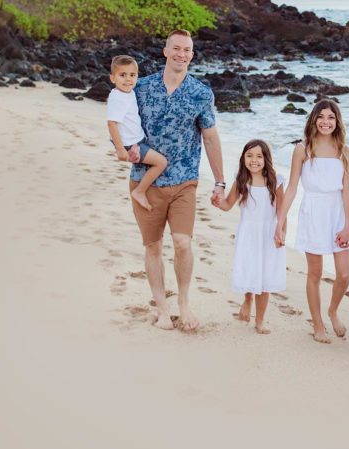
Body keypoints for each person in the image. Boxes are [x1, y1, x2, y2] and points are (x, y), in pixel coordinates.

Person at [129, 28, 225, 332]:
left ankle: (183, 304)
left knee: (183, 243)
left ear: (192, 55)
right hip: (144, 181)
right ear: (166, 51)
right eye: (177, 49)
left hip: (185, 181)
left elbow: (210, 137)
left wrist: (220, 181)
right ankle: (161, 308)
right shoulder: (140, 88)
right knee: (153, 246)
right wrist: (126, 150)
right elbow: (121, 126)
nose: (182, 54)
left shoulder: (201, 93)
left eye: (188, 50)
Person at [275, 99, 349, 344]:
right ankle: (318, 324)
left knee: (343, 274)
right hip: (313, 212)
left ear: (337, 121)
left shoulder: (344, 151)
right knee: (315, 273)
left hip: (337, 212)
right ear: (313, 120)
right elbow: (291, 188)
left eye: (331, 117)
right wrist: (280, 221)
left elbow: (348, 190)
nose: (326, 122)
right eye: (321, 117)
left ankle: (332, 310)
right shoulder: (303, 149)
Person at [211, 139, 285, 335]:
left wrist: (281, 232)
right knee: (250, 270)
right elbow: (227, 205)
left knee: (265, 278)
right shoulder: (242, 181)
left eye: (259, 156)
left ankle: (260, 320)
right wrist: (218, 201)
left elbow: (282, 211)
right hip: (248, 234)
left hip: (269, 234)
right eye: (250, 156)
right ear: (243, 158)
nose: (254, 160)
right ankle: (247, 298)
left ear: (266, 159)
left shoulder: (276, 181)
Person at [106, 54, 168, 210]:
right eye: (122, 75)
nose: (128, 79)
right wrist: (120, 150)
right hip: (128, 144)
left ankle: (135, 160)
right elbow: (112, 123)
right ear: (112, 78)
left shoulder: (128, 92)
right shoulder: (118, 98)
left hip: (136, 140)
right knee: (161, 162)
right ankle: (139, 191)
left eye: (132, 75)